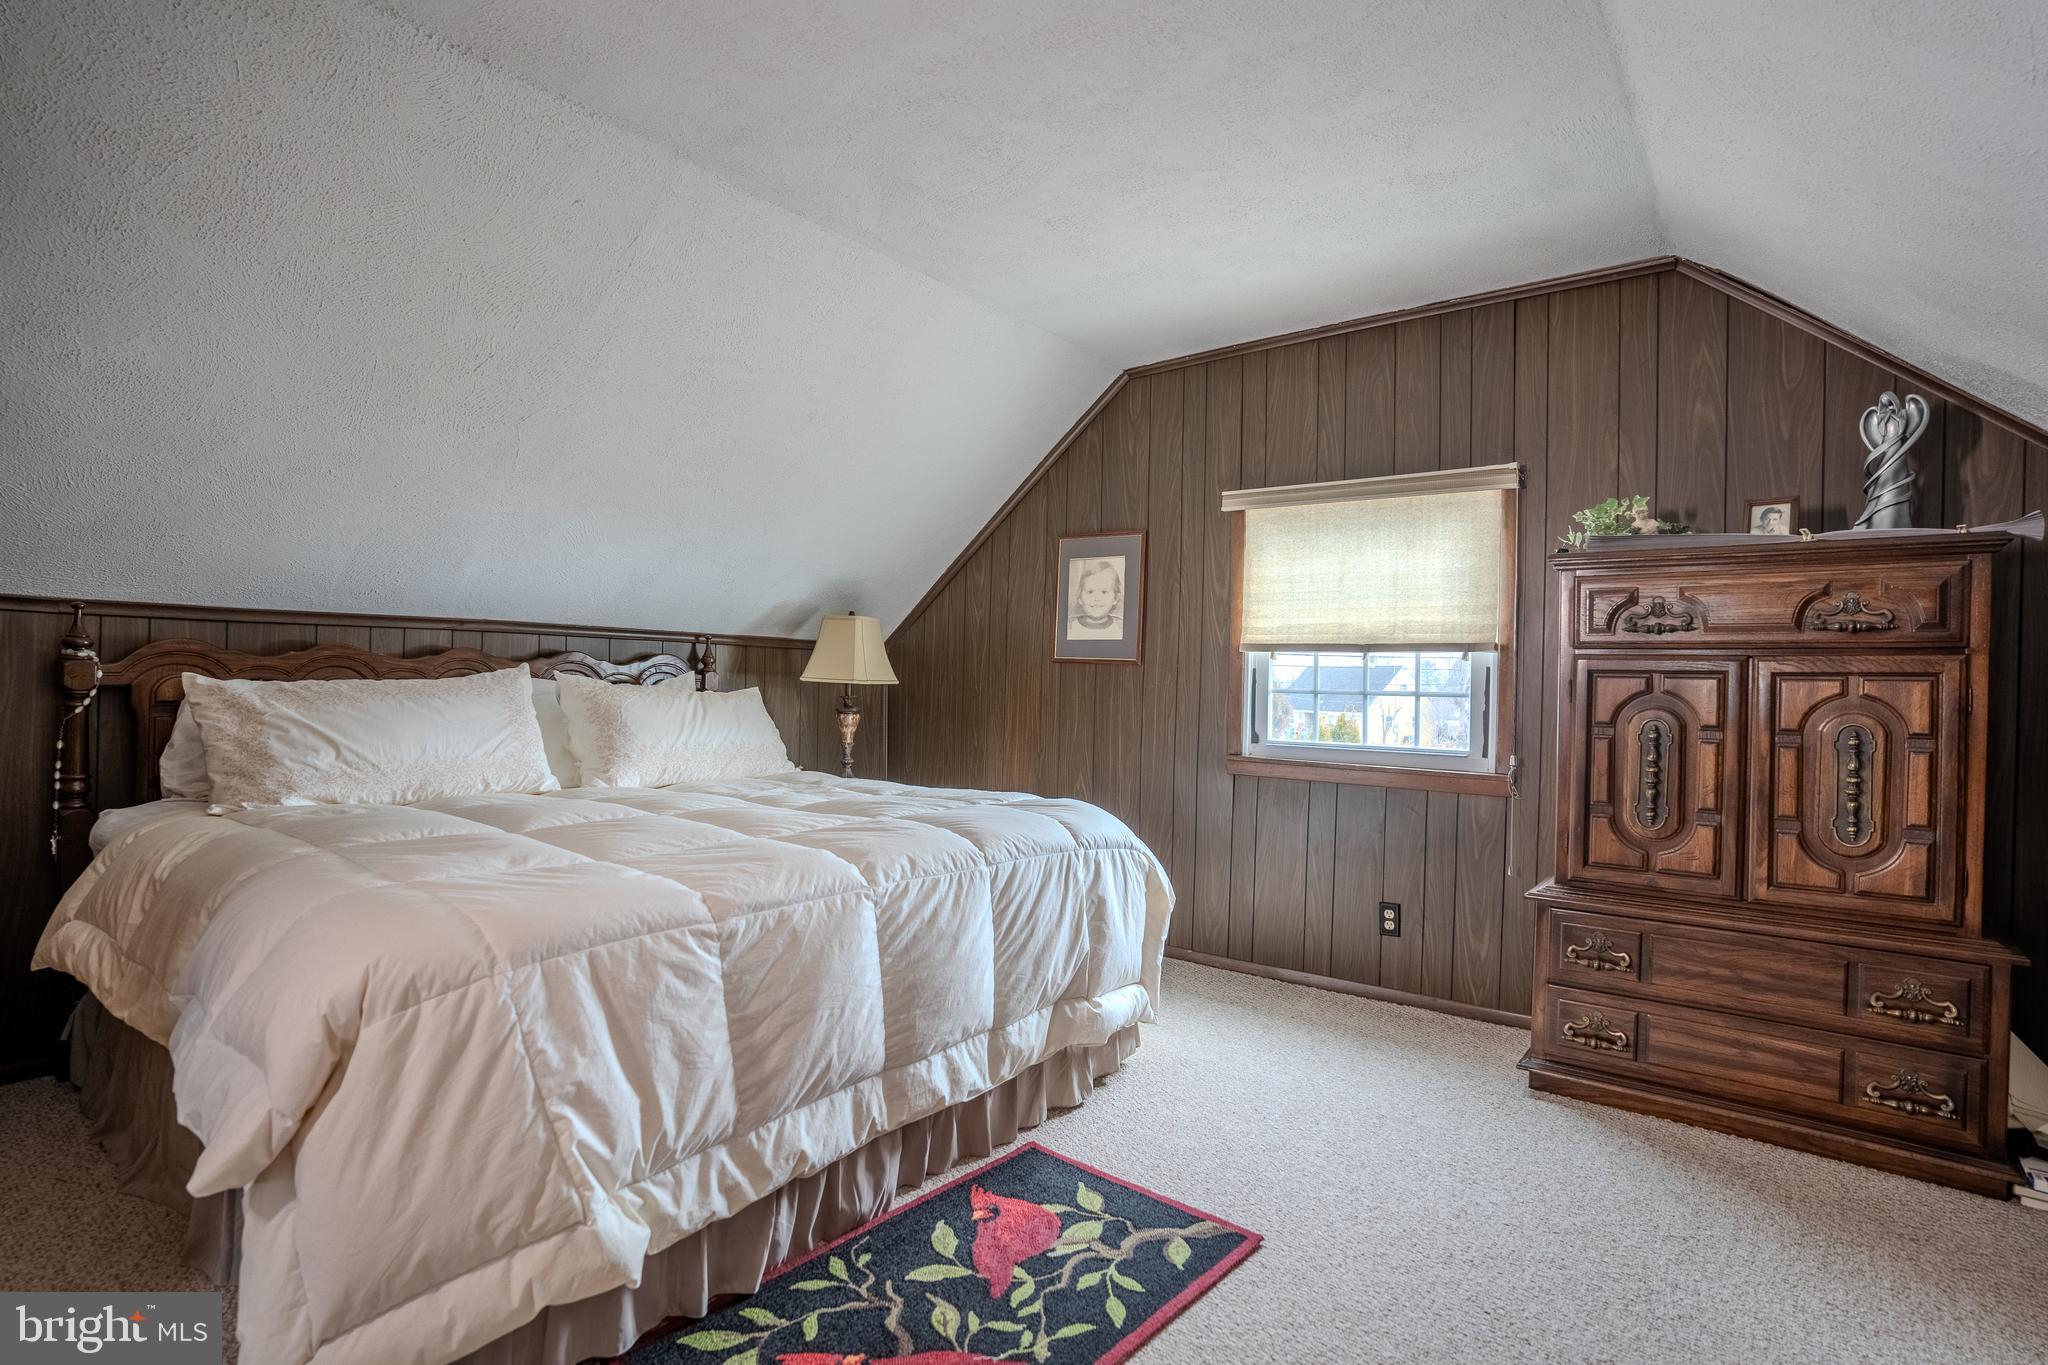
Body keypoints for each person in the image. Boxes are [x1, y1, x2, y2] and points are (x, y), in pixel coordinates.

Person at [1066, 557, 1124, 639]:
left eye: (1104, 592)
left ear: (1115, 598)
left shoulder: (1121, 628)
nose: (1096, 598)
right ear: (1079, 598)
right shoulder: (1069, 627)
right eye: (1090, 592)